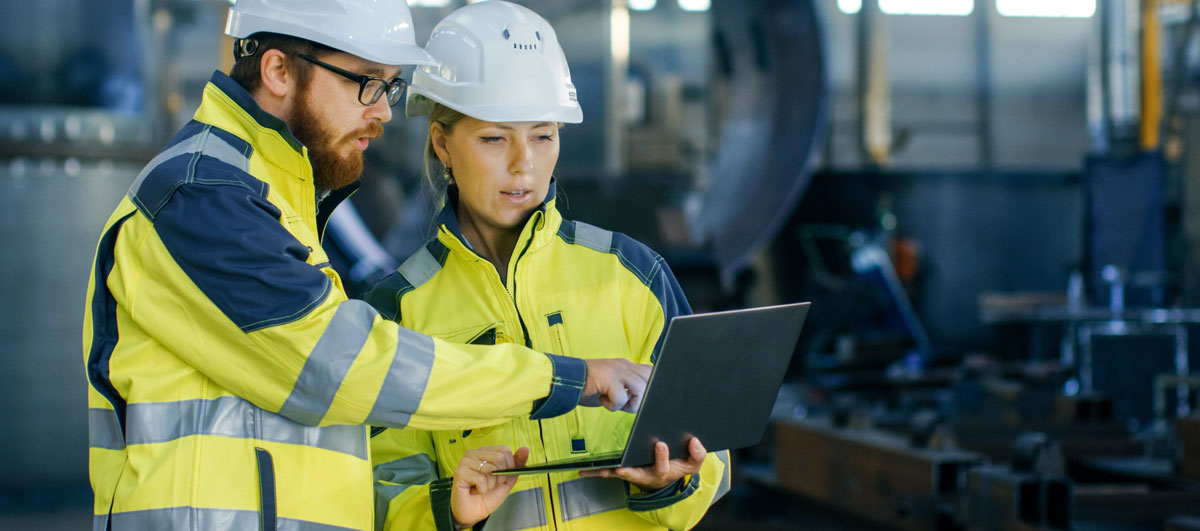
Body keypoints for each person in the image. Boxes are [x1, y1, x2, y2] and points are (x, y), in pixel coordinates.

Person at [81, 1, 651, 529]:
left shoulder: (275, 196)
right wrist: (560, 378)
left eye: (390, 86)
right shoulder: (201, 194)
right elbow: (337, 366)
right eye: (366, 84)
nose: (383, 112)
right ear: (279, 70)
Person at [363, 3, 730, 530]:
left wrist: (678, 478)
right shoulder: (397, 313)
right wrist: (449, 511)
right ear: (442, 143)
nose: (524, 164)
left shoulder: (633, 274)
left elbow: (713, 450)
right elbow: (383, 489)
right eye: (494, 138)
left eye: (543, 135)